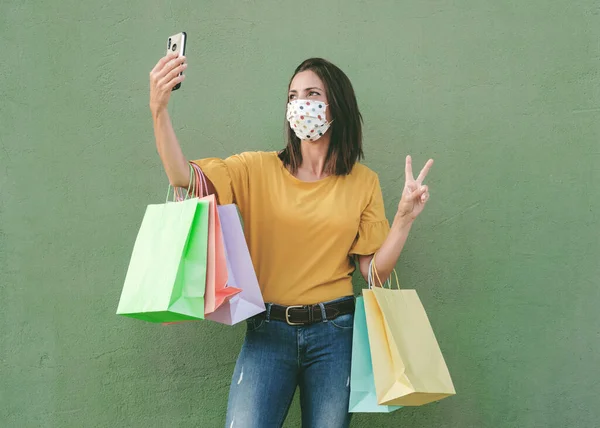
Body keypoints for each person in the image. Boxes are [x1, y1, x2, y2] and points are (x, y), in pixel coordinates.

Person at [149, 53, 433, 428]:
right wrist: (159, 109)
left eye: (312, 94)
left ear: (337, 106)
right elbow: (182, 177)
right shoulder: (254, 169)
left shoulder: (363, 182)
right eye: (293, 96)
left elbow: (374, 274)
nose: (300, 104)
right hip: (268, 330)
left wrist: (403, 220)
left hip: (336, 334)